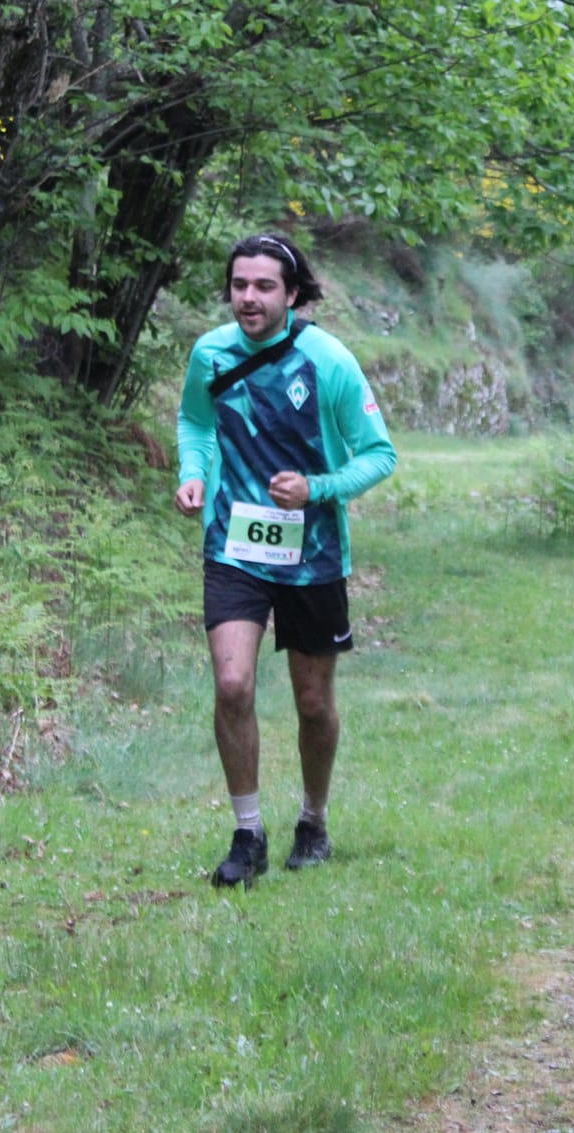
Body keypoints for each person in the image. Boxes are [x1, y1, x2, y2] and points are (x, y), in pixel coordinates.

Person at [174, 231, 397, 888]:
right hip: (233, 544)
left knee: (312, 702)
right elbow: (196, 422)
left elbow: (379, 453)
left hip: (313, 554)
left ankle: (313, 818)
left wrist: (317, 488)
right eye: (239, 284)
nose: (248, 297)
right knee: (233, 684)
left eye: (264, 285)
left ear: (292, 294)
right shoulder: (211, 352)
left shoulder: (328, 361)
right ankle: (248, 835)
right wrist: (192, 472)